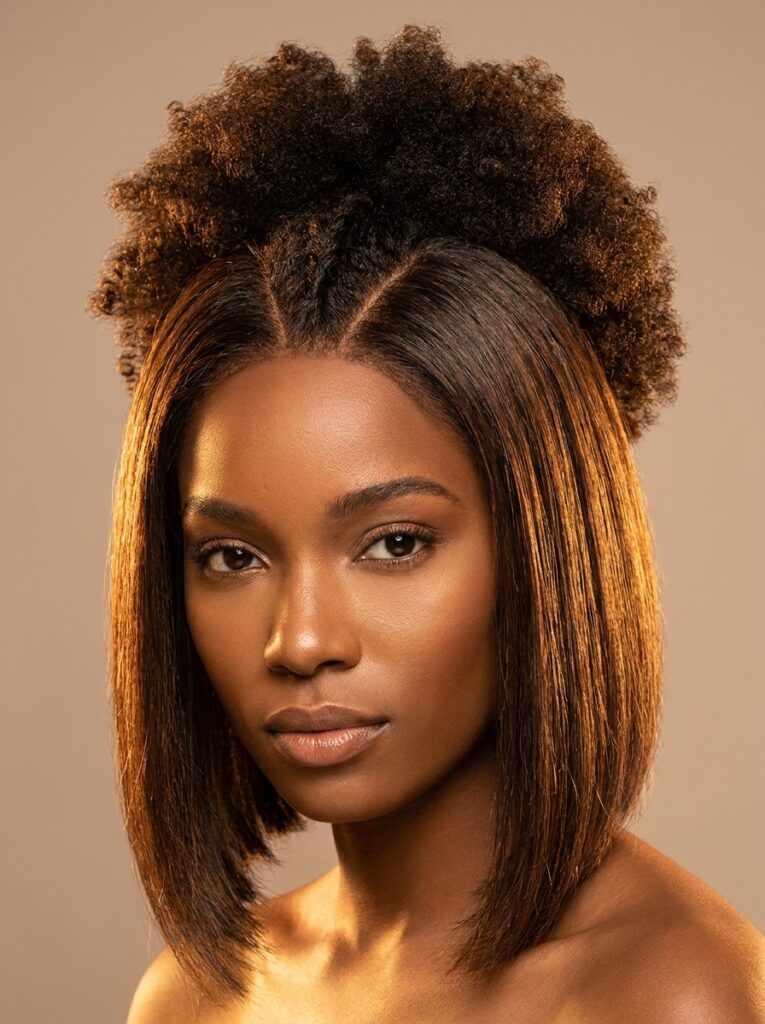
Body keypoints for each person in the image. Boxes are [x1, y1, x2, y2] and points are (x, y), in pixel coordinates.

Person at [88, 23, 764, 1023]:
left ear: (545, 550)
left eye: (394, 543)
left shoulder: (672, 993)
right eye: (232, 555)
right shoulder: (193, 998)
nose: (303, 640)